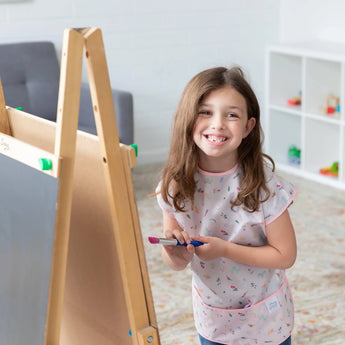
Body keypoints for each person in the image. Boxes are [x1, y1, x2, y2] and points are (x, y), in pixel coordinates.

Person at [155, 66, 297, 345]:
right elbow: (175, 262)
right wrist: (175, 252)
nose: (217, 124)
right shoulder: (174, 184)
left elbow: (285, 255)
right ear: (187, 118)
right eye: (205, 112)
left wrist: (224, 250)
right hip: (214, 318)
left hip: (266, 320)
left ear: (248, 127)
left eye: (231, 114)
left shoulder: (266, 186)